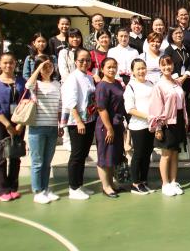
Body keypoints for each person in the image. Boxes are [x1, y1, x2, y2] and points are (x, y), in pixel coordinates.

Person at [0, 52, 26, 202]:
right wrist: (8, 125)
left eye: (11, 62)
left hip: (19, 122)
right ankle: (2, 189)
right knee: (0, 156)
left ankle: (13, 187)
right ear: (0, 64)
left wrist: (20, 124)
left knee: (15, 155)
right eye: (5, 62)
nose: (8, 65)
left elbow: (27, 103)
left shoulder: (21, 81)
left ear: (15, 63)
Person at [148, 55, 188, 197]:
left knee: (175, 153)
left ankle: (173, 181)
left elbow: (182, 103)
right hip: (166, 122)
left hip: (179, 120)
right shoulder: (159, 85)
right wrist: (158, 127)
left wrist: (185, 120)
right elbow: (156, 107)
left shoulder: (177, 83)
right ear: (160, 67)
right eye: (164, 65)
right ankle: (165, 184)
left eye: (169, 64)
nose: (167, 67)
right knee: (166, 154)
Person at [25, 55, 62, 204]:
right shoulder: (36, 84)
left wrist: (60, 125)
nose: (48, 68)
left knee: (47, 162)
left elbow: (60, 106)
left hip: (52, 127)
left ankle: (45, 189)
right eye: (44, 66)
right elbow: (28, 85)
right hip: (37, 127)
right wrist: (39, 68)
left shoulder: (57, 84)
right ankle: (37, 191)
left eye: (50, 65)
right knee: (37, 162)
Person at [61, 48, 97, 200]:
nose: (85, 63)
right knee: (76, 155)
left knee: (83, 154)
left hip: (89, 120)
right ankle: (73, 188)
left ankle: (80, 184)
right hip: (78, 122)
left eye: (87, 60)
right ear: (75, 61)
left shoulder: (88, 77)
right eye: (81, 60)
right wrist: (79, 121)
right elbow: (71, 102)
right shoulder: (72, 78)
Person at [94, 58, 125, 198]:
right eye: (109, 67)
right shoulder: (102, 86)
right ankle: (105, 186)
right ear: (102, 69)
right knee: (104, 156)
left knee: (112, 155)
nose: (112, 69)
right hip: (106, 126)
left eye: (114, 67)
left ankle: (111, 184)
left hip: (117, 124)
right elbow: (101, 108)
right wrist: (109, 128)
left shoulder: (117, 83)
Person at [123, 58, 155, 195]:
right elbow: (130, 109)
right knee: (138, 155)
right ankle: (135, 183)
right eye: (138, 69)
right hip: (138, 126)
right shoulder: (130, 87)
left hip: (151, 125)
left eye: (143, 68)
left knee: (147, 154)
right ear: (132, 71)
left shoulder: (151, 84)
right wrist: (147, 116)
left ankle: (143, 181)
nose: (141, 71)